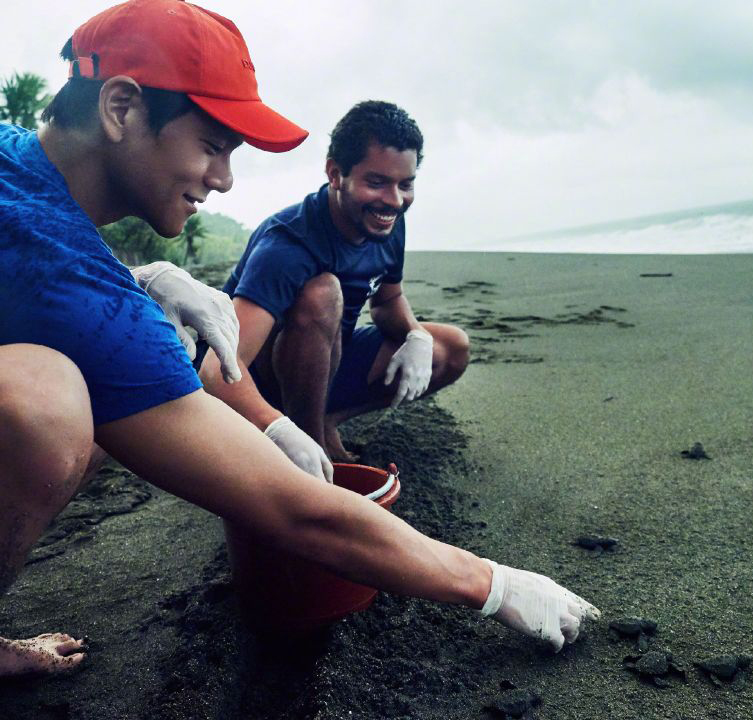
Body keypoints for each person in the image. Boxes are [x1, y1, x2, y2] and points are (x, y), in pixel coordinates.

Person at [0, 0, 597, 679]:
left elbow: (35, 265)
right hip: (254, 386)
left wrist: (138, 276)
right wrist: (491, 584)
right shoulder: (91, 292)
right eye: (213, 146)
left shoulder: (16, 170)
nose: (224, 178)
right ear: (122, 108)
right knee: (45, 402)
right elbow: (295, 512)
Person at [198, 101, 469, 471]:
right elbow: (217, 370)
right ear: (336, 173)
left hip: (328, 362)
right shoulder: (287, 245)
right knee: (322, 293)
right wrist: (276, 428)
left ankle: (327, 420)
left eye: (405, 184)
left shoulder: (387, 221)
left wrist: (416, 336)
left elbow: (388, 302)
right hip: (258, 380)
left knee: (450, 348)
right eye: (376, 182)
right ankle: (305, 442)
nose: (393, 200)